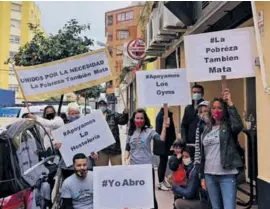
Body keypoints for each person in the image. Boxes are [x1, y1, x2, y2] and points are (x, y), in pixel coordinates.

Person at [195, 89, 244, 209]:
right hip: (209, 175)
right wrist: (202, 176)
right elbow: (202, 154)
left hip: (227, 175)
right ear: (210, 110)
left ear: (224, 110)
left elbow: (238, 125)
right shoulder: (205, 129)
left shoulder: (228, 127)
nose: (216, 111)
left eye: (220, 108)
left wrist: (230, 103)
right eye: (214, 108)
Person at [125, 108, 168, 209]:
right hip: (134, 168)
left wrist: (164, 127)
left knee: (149, 194)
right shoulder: (130, 132)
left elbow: (161, 139)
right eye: (137, 118)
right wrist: (125, 159)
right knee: (136, 193)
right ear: (133, 119)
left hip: (147, 168)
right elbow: (127, 147)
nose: (139, 120)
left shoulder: (149, 132)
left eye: (141, 118)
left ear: (145, 120)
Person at [57, 102, 97, 180]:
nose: (75, 115)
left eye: (77, 113)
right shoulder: (62, 129)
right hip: (68, 167)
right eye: (72, 113)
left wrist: (94, 152)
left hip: (85, 164)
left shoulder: (87, 126)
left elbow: (92, 141)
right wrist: (58, 146)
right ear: (68, 114)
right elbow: (57, 145)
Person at [95, 97, 129, 166]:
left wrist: (125, 114)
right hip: (101, 150)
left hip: (114, 149)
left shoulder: (113, 114)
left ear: (107, 104)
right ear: (98, 105)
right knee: (101, 172)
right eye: (100, 104)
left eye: (103, 104)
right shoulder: (94, 117)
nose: (102, 105)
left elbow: (123, 121)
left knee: (117, 171)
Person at [155, 107, 176, 191]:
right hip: (164, 143)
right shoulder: (162, 116)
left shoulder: (166, 115)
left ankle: (162, 180)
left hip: (166, 143)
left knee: (164, 161)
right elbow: (162, 131)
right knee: (162, 162)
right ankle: (160, 182)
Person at [194, 101, 209, 167]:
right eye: (201, 112)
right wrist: (197, 163)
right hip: (205, 161)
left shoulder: (218, 125)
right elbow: (197, 146)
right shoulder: (199, 126)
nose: (203, 114)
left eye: (205, 111)